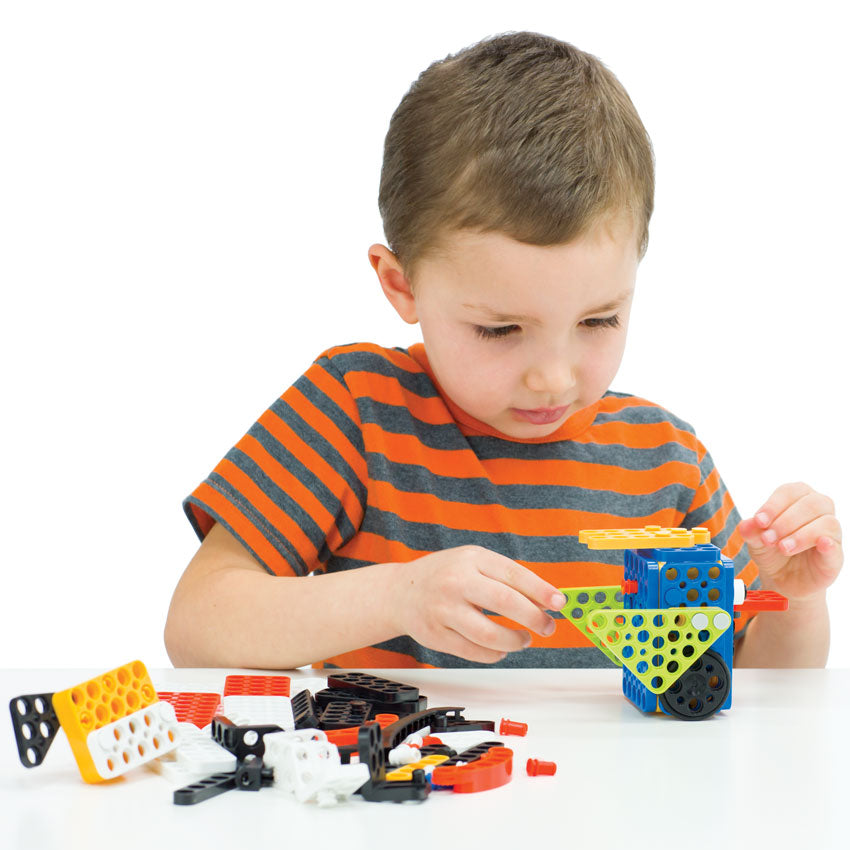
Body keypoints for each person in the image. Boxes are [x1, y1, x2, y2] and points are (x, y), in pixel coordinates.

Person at [164, 32, 842, 671]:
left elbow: (755, 686)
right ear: (402, 286)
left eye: (599, 319)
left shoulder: (668, 464)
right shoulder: (355, 411)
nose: (553, 379)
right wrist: (395, 596)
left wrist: (797, 600)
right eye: (499, 330)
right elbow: (197, 624)